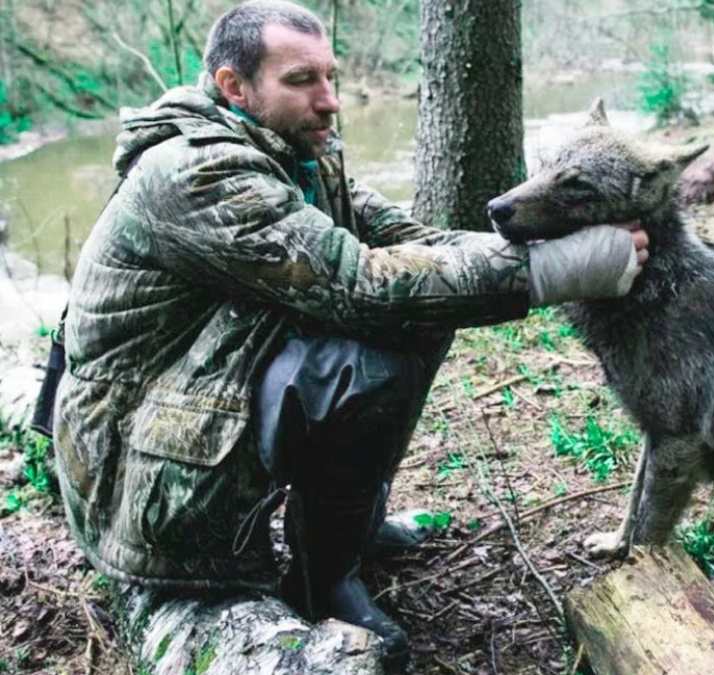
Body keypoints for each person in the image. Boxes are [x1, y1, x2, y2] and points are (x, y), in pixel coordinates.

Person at [52, 0, 648, 664]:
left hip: (206, 395)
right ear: (233, 87)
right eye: (303, 80)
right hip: (143, 473)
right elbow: (361, 283)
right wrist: (566, 266)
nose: (330, 100)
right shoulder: (196, 172)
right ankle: (321, 578)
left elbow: (414, 246)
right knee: (374, 352)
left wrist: (547, 237)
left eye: (330, 77)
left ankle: (346, 534)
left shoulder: (295, 153)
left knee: (422, 308)